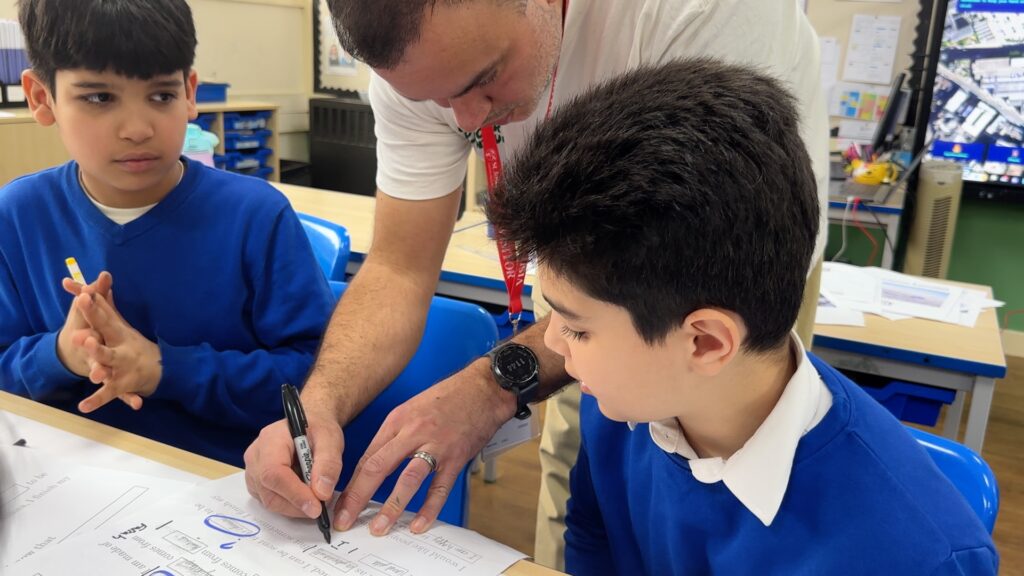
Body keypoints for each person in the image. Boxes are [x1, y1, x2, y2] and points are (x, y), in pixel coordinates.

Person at [243, 0, 829, 565]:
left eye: (484, 78)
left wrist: (491, 387)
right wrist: (317, 409)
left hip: (711, 284)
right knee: (588, 479)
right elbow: (399, 265)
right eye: (435, 99)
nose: (467, 120)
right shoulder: (421, 60)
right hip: (587, 300)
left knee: (732, 511)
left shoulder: (701, 12)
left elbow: (697, 280)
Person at [486, 57, 998, 575]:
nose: (554, 343)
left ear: (706, 342)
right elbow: (594, 536)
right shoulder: (624, 405)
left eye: (577, 327)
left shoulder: (920, 555)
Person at [0, 0, 334, 467]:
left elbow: (316, 378)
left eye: (161, 96)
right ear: (41, 98)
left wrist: (163, 368)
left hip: (223, 489)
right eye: (99, 97)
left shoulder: (256, 215)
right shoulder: (17, 215)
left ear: (190, 92)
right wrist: (60, 353)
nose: (138, 129)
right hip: (67, 481)